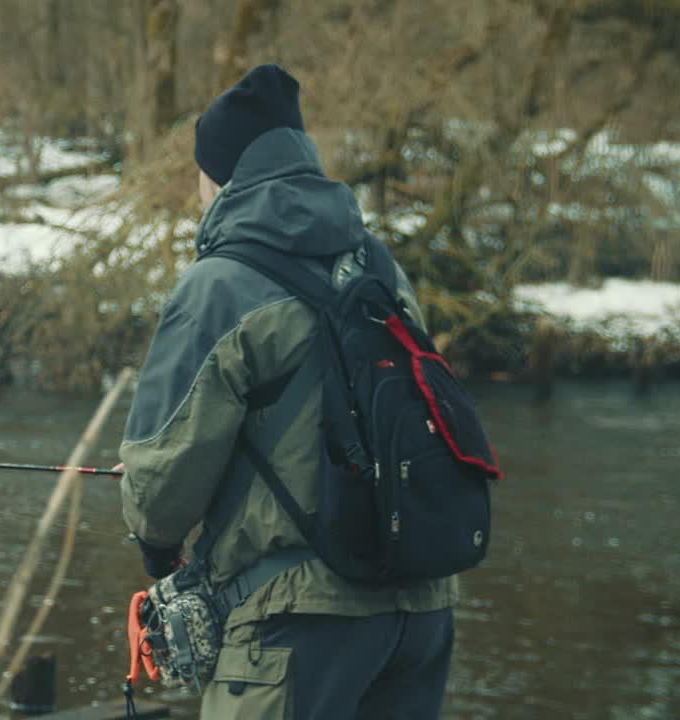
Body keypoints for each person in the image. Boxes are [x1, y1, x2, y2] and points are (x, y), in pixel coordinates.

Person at [118, 64, 456, 719]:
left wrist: (158, 550)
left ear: (219, 175)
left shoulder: (218, 284)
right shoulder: (380, 265)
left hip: (296, 625)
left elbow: (161, 485)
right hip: (420, 612)